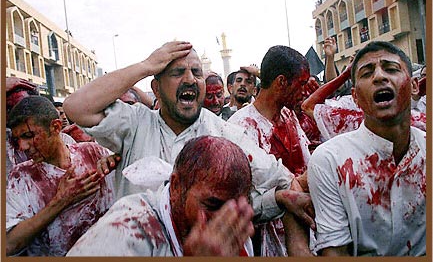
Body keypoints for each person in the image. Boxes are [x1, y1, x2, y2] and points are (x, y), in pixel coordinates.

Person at [63, 41, 314, 230]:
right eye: (177, 72)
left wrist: (278, 199)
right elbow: (76, 107)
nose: (190, 79)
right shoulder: (135, 123)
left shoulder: (224, 133)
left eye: (196, 72)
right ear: (156, 88)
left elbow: (273, 183)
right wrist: (146, 66)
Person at [308, 41, 426, 256]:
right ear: (355, 97)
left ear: (415, 86)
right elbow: (336, 252)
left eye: (391, 69)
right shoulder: (330, 161)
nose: (380, 77)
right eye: (366, 73)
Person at [67, 136, 255, 256]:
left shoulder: (234, 224)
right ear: (176, 187)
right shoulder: (124, 233)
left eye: (238, 207)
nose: (225, 220)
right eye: (212, 205)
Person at [228, 45, 314, 256]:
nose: (305, 92)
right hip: (267, 244)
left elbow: (306, 164)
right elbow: (238, 203)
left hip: (308, 236)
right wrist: (279, 197)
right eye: (301, 84)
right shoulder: (240, 127)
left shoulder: (289, 116)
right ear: (281, 82)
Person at [6, 96, 114, 256]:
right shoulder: (20, 177)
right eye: (17, 140)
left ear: (55, 127)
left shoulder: (92, 153)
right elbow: (9, 244)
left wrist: (117, 159)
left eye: (28, 136)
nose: (22, 147)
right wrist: (61, 200)